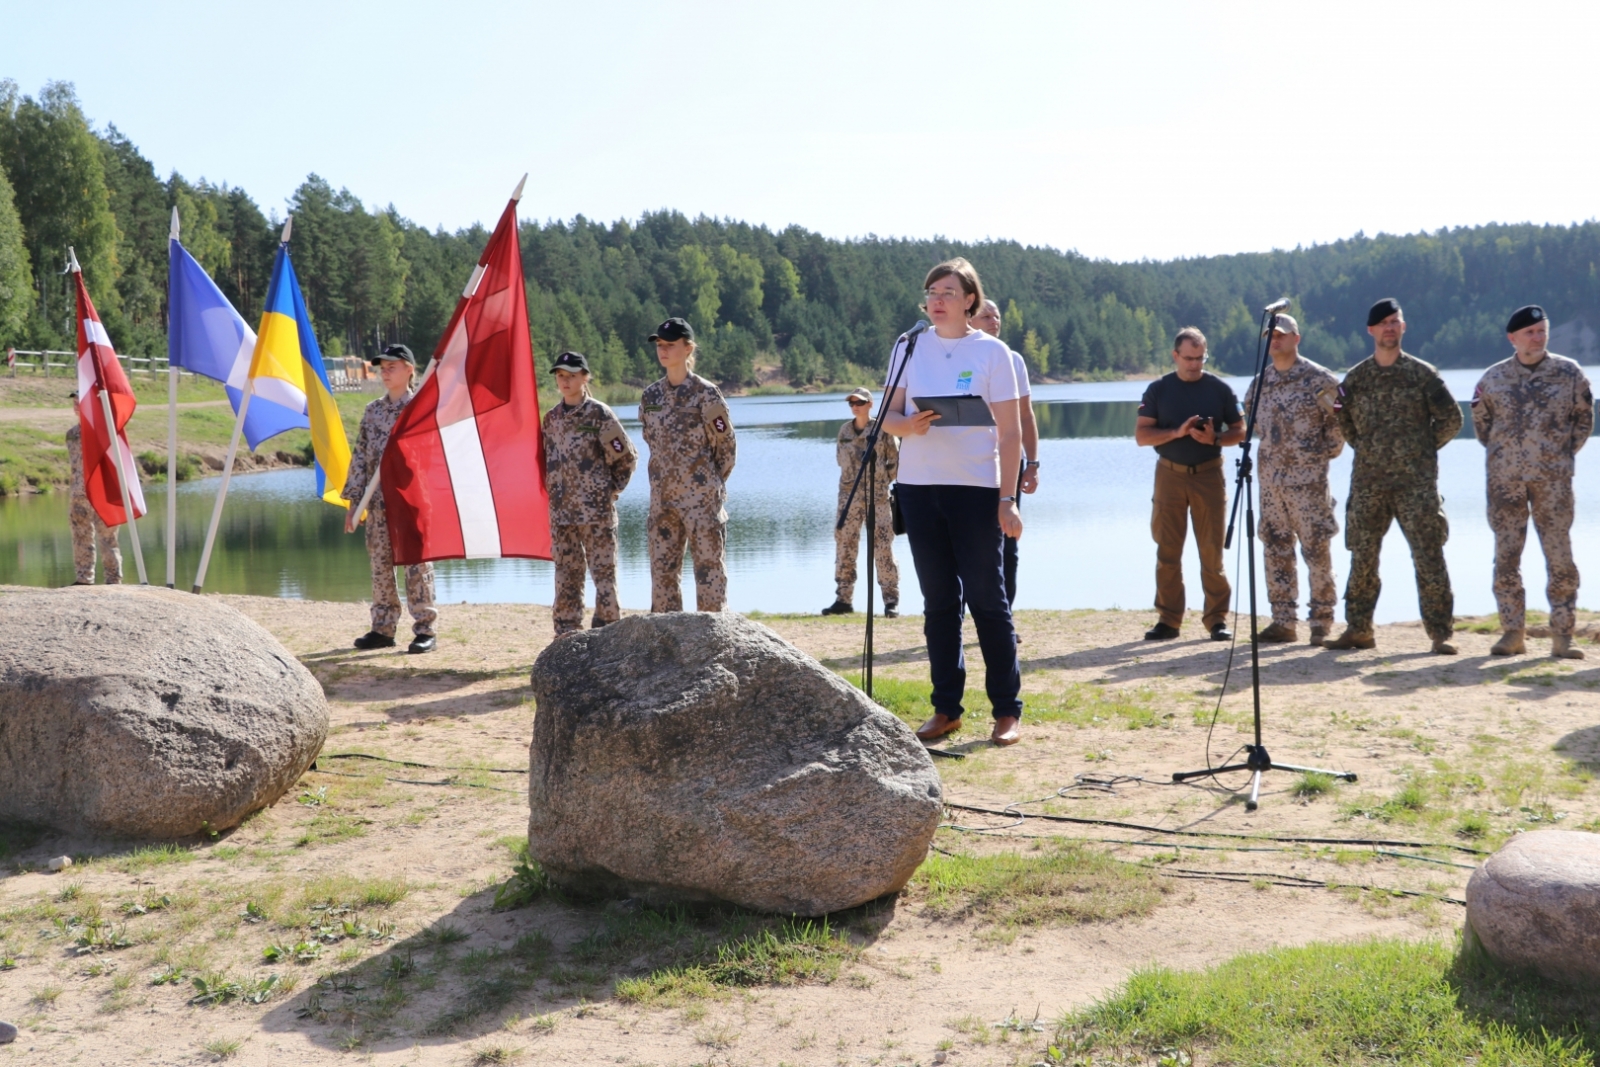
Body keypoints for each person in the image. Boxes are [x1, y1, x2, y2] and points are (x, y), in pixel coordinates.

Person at [882, 258, 1026, 747]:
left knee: (988, 600)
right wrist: (908, 425)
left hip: (977, 491)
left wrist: (1008, 499)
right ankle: (946, 709)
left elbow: (1011, 434)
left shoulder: (993, 353)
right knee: (939, 602)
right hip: (919, 490)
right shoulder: (908, 346)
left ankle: (1007, 711)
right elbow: (889, 416)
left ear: (970, 300)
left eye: (947, 291)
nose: (937, 299)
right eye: (931, 291)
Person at [1326, 298, 1462, 654]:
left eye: (1395, 321)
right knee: (1363, 556)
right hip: (1369, 483)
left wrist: (1420, 450)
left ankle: (1439, 634)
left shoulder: (1422, 374)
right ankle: (1359, 629)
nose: (1389, 327)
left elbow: (1452, 420)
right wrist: (1370, 448)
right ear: (1371, 331)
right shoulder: (1356, 379)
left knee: (1428, 555)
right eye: (1383, 322)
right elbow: (1345, 423)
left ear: (1403, 327)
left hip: (1416, 485)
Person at [1471, 305, 1594, 658]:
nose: (1538, 337)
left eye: (1542, 330)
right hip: (1504, 482)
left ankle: (1563, 635)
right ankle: (1513, 633)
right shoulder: (1492, 379)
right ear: (1513, 338)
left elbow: (1583, 421)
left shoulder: (1569, 373)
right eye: (1530, 332)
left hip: (1553, 481)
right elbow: (1483, 427)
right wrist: (1508, 456)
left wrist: (1558, 457)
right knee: (1506, 557)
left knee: (1560, 557)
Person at [1135, 328, 1245, 641]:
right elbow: (1142, 436)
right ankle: (1169, 621)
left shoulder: (1220, 389)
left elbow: (1242, 430)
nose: (1195, 364)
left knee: (1212, 552)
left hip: (1209, 475)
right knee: (1167, 550)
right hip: (1169, 475)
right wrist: (1176, 432)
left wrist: (1217, 438)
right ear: (1175, 356)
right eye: (1189, 358)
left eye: (1200, 358)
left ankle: (1217, 621)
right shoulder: (1158, 390)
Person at [1241, 315, 1345, 645]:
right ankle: (1283, 621)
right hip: (1271, 485)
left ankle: (1321, 621)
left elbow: (1339, 426)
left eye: (1282, 335)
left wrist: (1313, 459)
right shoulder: (1260, 384)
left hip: (1309, 484)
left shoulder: (1320, 380)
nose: (1275, 340)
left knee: (1317, 551)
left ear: (1296, 338)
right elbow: (1253, 421)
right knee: (1275, 548)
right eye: (1270, 335)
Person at [342, 344, 437, 653]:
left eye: (392, 366)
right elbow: (360, 456)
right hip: (378, 503)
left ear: (410, 369)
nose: (384, 371)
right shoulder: (373, 411)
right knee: (381, 565)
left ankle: (425, 629)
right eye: (381, 366)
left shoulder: (420, 409)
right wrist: (354, 501)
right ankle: (383, 628)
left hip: (411, 500)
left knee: (416, 565)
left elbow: (433, 455)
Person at [640, 317, 736, 612]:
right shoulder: (651, 396)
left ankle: (712, 642)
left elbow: (726, 447)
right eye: (659, 344)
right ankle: (667, 648)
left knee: (709, 574)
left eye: (670, 345)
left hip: (701, 500)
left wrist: (710, 484)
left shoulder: (706, 394)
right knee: (663, 575)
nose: (663, 350)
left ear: (688, 348)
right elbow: (650, 441)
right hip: (663, 501)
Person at [542, 350, 638, 636]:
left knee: (604, 574)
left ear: (585, 377)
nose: (565, 381)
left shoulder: (599, 414)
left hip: (596, 513)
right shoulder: (551, 419)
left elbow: (626, 458)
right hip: (562, 514)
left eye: (571, 376)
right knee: (566, 574)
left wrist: (609, 491)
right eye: (560, 376)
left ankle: (609, 630)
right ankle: (567, 631)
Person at [970, 299, 1040, 609]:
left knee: (1008, 543)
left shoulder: (1013, 360)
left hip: (1008, 463)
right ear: (970, 319)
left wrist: (1033, 463)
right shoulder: (960, 358)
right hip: (967, 464)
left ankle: (1004, 616)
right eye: (986, 315)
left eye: (997, 315)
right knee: (963, 544)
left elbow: (1026, 416)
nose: (994, 319)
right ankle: (954, 618)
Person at [822, 387, 900, 618]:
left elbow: (895, 462)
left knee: (883, 547)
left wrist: (881, 482)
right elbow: (840, 461)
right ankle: (843, 599)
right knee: (845, 546)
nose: (855, 405)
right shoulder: (845, 430)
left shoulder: (883, 430)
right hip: (848, 498)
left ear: (870, 404)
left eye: (860, 402)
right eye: (852, 402)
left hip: (878, 498)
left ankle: (891, 602)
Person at [66, 393, 121, 586]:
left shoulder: (104, 432)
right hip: (78, 494)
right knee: (80, 534)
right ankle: (84, 578)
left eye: (79, 402)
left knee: (107, 537)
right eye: (73, 402)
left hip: (102, 493)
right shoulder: (72, 434)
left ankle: (113, 580)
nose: (75, 406)